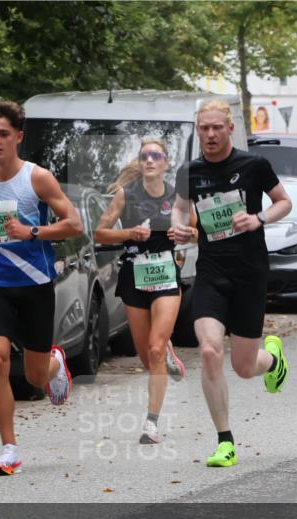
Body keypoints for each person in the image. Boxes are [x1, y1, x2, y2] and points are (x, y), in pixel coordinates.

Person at [0, 100, 83, 476]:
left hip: (35, 284)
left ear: (18, 137)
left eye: (3, 134)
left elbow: (74, 224)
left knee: (34, 377)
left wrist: (32, 232)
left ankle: (55, 365)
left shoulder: (37, 178)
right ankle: (8, 448)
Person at [170, 100, 293, 468]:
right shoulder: (189, 171)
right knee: (209, 351)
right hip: (210, 271)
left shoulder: (253, 165)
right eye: (203, 128)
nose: (209, 135)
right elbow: (179, 207)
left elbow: (283, 202)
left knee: (243, 366)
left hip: (250, 273)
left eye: (215, 128)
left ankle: (272, 361)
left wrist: (258, 218)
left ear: (229, 129)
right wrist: (179, 226)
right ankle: (225, 441)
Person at [94, 138, 196, 444]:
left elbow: (197, 232)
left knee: (153, 349)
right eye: (144, 156)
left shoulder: (179, 198)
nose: (150, 160)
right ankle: (163, 351)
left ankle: (151, 424)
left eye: (156, 156)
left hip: (165, 273)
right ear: (140, 163)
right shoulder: (126, 195)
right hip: (134, 275)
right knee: (146, 355)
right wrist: (129, 233)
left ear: (166, 163)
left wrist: (187, 232)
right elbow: (99, 232)